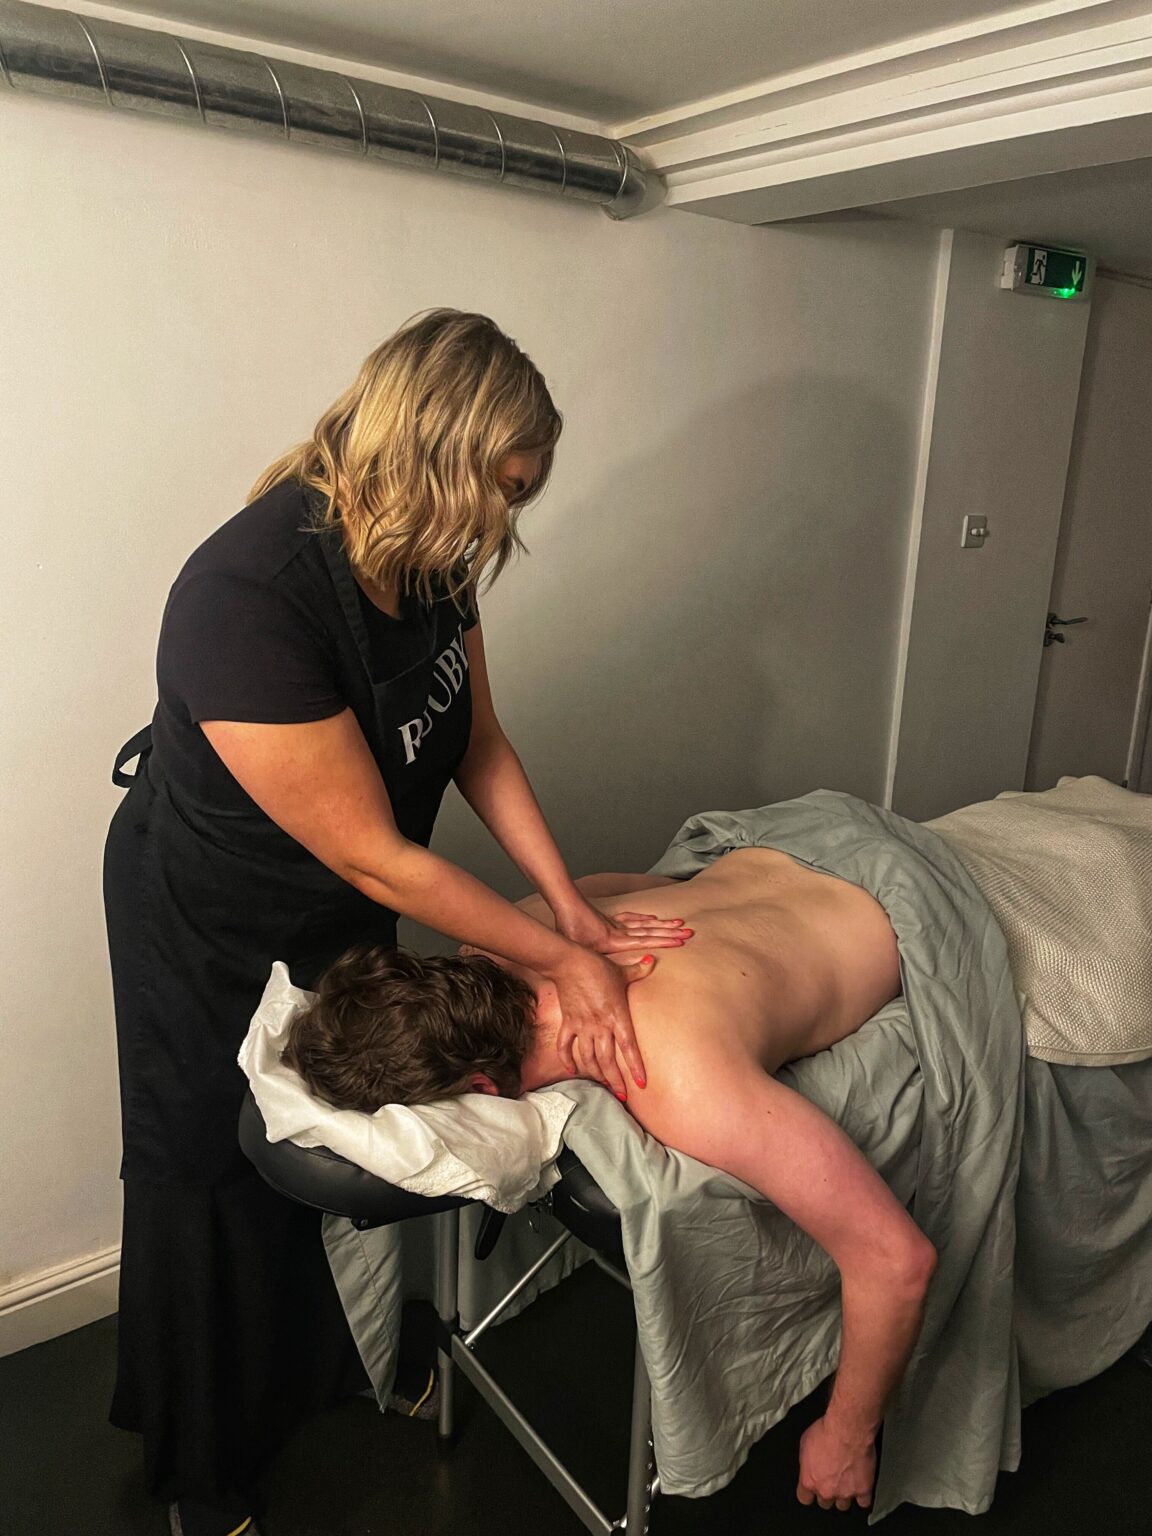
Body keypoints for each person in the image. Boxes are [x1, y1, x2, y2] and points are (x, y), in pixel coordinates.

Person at [102, 309, 691, 1536]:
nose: (505, 523)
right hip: (203, 919)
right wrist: (560, 961)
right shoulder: (246, 597)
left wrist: (575, 909)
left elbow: (479, 743)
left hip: (340, 899)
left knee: (337, 1128)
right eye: (505, 490)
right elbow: (375, 850)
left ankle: (332, 1367)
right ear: (437, 454)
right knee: (208, 1169)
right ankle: (201, 1466)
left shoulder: (432, 557)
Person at [285, 846, 939, 1516]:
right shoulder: (521, 925)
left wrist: (847, 1436)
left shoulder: (670, 1070)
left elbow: (895, 1259)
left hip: (910, 904)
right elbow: (655, 885)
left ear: (481, 1089)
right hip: (788, 848)